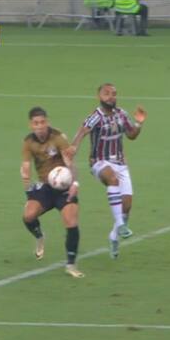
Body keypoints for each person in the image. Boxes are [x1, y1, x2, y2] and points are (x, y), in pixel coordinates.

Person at [67, 83, 146, 260]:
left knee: (127, 206)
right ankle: (120, 225)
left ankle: (114, 236)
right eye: (107, 94)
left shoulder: (121, 114)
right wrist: (73, 147)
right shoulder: (96, 117)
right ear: (99, 96)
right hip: (99, 162)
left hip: (120, 163)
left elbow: (131, 135)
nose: (111, 97)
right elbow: (82, 132)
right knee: (111, 178)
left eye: (114, 94)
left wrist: (139, 123)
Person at [21, 107, 85, 279]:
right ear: (31, 125)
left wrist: (75, 182)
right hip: (44, 186)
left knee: (71, 221)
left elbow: (70, 162)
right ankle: (40, 236)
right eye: (36, 123)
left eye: (42, 122)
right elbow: (26, 166)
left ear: (47, 122)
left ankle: (71, 265)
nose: (40, 126)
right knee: (28, 216)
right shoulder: (28, 142)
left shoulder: (57, 138)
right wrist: (27, 184)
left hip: (64, 186)